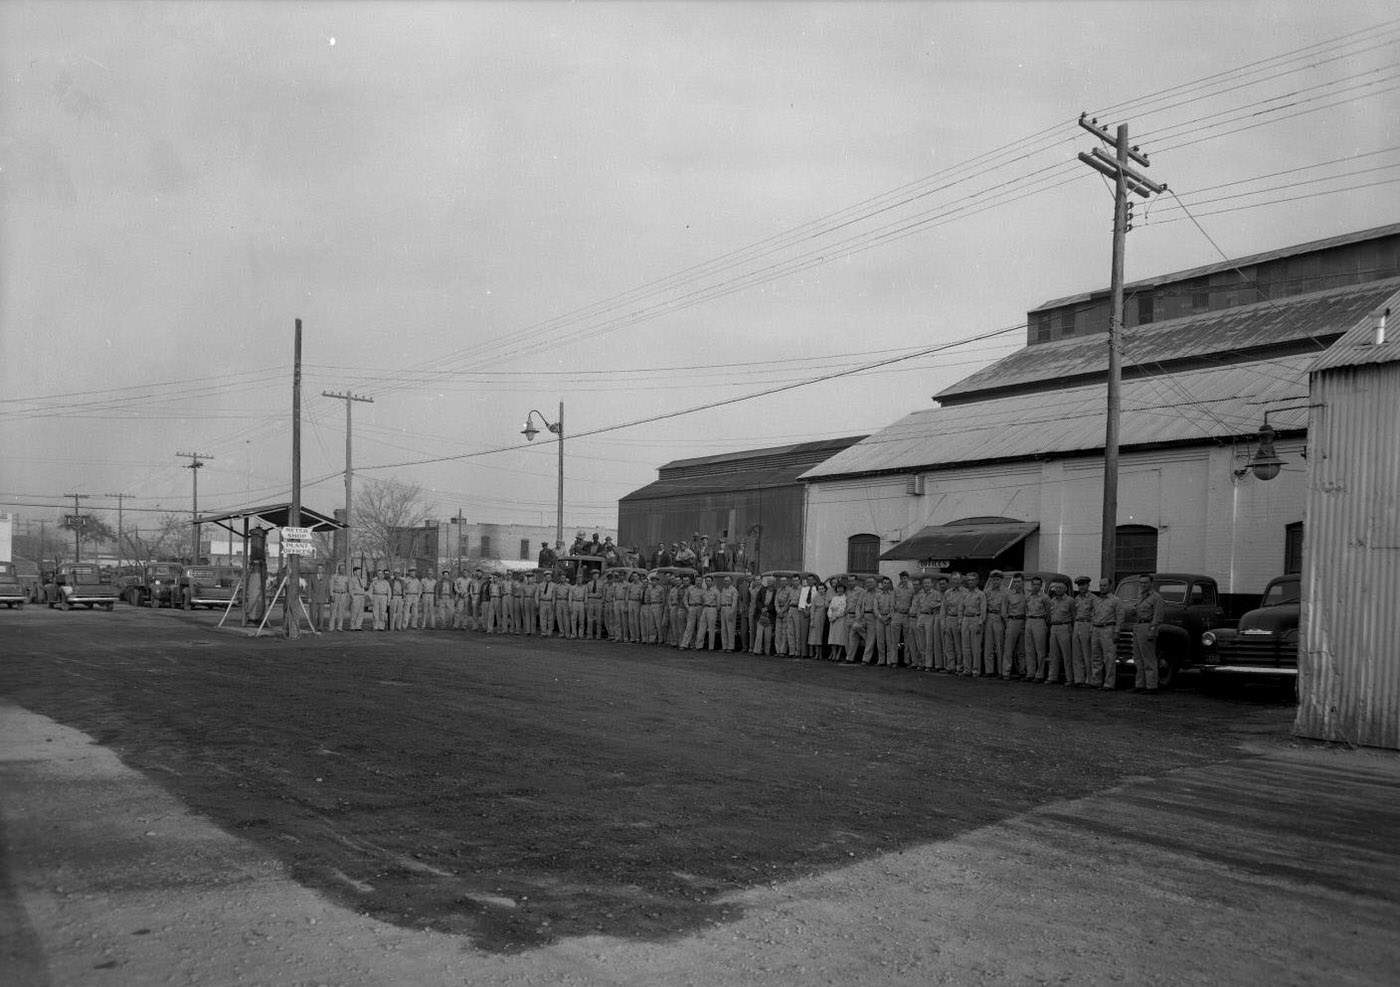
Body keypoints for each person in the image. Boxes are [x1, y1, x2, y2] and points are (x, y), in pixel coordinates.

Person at [1131, 574, 1166, 694]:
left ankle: (1151, 686)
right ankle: (1140, 684)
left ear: (1151, 583)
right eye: (1141, 583)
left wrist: (1152, 630)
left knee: (1149, 659)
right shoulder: (1140, 596)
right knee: (1138, 658)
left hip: (1147, 626)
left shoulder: (1156, 598)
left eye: (1145, 583)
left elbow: (1158, 616)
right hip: (1138, 626)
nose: (1143, 585)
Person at [1091, 577, 1123, 689]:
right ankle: (1096, 681)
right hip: (1096, 629)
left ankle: (1109, 683)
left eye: (1104, 585)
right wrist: (1092, 629)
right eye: (1100, 586)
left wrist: (1117, 631)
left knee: (1109, 658)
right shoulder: (1096, 600)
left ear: (1110, 586)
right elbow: (1093, 615)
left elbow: (1120, 617)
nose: (1102, 588)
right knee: (1096, 657)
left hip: (1108, 629)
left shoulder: (1116, 600)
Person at [1046, 580, 1074, 684]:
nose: (1058, 590)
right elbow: (1049, 615)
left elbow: (1074, 615)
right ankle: (1052, 677)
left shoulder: (1070, 601)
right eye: (1056, 588)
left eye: (1060, 588)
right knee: (1053, 654)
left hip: (1065, 627)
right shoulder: (1052, 601)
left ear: (1065, 589)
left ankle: (1070, 678)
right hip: (1054, 627)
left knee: (1067, 655)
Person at [1070, 576, 1095, 686]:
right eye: (1079, 585)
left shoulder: (1093, 598)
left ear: (1088, 585)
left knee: (1087, 653)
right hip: (1077, 624)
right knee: (1077, 653)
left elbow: (1094, 614)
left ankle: (1089, 679)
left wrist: (1091, 629)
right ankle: (1078, 679)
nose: (1081, 587)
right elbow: (1074, 613)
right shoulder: (1077, 598)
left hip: (1087, 623)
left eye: (1083, 584)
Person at [1024, 576, 1050, 681]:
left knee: (1040, 650)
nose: (1035, 586)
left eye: (1038, 584)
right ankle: (1030, 673)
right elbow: (1026, 608)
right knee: (1029, 649)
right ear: (1031, 585)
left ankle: (1039, 674)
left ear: (1041, 585)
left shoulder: (1045, 597)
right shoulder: (1028, 597)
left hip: (1040, 621)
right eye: (1034, 584)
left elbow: (1049, 612)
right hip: (1029, 620)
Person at [982, 570, 1007, 676]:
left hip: (999, 617)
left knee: (1000, 645)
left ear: (1001, 580)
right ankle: (989, 670)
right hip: (989, 617)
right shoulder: (987, 592)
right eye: (993, 580)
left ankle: (1001, 671)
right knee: (988, 645)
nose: (995, 582)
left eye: (997, 579)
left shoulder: (1006, 592)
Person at [1002, 573, 1026, 679]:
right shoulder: (1008, 595)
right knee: (1008, 649)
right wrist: (1007, 623)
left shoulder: (1028, 595)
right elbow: (1004, 610)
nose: (1017, 584)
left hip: (1024, 622)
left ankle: (1023, 671)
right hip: (1012, 621)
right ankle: (1006, 671)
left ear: (1023, 582)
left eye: (1019, 581)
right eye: (1015, 582)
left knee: (1023, 649)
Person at [890, 572, 915, 667]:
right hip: (897, 615)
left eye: (905, 578)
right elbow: (892, 603)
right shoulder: (896, 590)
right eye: (901, 578)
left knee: (907, 639)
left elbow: (913, 602)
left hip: (906, 616)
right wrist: (893, 615)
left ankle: (906, 660)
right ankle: (894, 661)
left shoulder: (911, 590)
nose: (903, 580)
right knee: (894, 640)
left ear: (908, 579)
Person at [873, 576, 895, 666]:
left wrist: (888, 617)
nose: (886, 585)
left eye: (887, 583)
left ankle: (889, 660)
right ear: (882, 584)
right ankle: (881, 660)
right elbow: (875, 608)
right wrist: (880, 617)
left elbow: (893, 607)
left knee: (889, 640)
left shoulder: (893, 595)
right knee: (880, 641)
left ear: (890, 584)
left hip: (889, 619)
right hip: (879, 619)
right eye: (884, 583)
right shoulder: (878, 595)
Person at [679, 575, 705, 649]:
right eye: (697, 580)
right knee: (689, 627)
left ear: (702, 581)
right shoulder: (690, 589)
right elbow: (685, 598)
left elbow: (705, 600)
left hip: (700, 607)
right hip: (691, 607)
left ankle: (698, 645)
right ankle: (684, 644)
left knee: (700, 627)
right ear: (695, 581)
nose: (698, 582)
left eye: (700, 580)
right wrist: (687, 607)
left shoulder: (704, 590)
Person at [752, 576, 776, 656]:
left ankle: (767, 651)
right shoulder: (762, 590)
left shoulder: (776, 592)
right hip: (761, 614)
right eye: (768, 581)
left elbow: (775, 603)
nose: (768, 583)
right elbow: (758, 601)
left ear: (773, 583)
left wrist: (767, 609)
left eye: (770, 581)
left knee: (767, 636)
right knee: (759, 634)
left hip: (770, 614)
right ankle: (757, 650)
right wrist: (762, 608)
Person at [807, 578, 828, 659]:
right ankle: (817, 653)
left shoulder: (826, 596)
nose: (821, 590)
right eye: (819, 589)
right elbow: (812, 609)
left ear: (825, 589)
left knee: (822, 635)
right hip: (816, 617)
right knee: (816, 636)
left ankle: (822, 653)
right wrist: (812, 620)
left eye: (822, 588)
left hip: (824, 617)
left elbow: (826, 606)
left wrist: (825, 598)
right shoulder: (815, 597)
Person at [643, 573, 666, 645]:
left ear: (657, 581)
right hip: (651, 605)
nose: (653, 582)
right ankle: (652, 639)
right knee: (651, 623)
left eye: (655, 581)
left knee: (658, 624)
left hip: (658, 605)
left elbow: (663, 599)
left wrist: (662, 607)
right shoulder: (650, 589)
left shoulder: (661, 589)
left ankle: (660, 639)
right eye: (652, 581)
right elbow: (648, 598)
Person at [699, 575, 720, 649]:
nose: (707, 582)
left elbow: (718, 603)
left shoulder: (716, 591)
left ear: (712, 582)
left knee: (711, 628)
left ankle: (711, 647)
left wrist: (716, 611)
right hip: (705, 608)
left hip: (712, 609)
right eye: (706, 581)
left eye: (709, 581)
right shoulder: (704, 591)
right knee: (701, 627)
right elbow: (702, 600)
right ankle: (699, 645)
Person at [329, 563, 350, 632]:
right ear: (338, 569)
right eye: (341, 568)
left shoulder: (346, 577)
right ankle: (331, 627)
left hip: (343, 595)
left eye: (344, 569)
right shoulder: (334, 576)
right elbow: (331, 586)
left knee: (341, 612)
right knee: (333, 611)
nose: (342, 570)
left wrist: (347, 595)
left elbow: (347, 587)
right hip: (336, 594)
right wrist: (331, 595)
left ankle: (339, 627)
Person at [585, 570, 605, 639]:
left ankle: (598, 635)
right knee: (589, 618)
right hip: (590, 600)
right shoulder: (589, 583)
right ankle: (589, 635)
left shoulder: (602, 583)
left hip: (598, 600)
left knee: (598, 618)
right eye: (593, 575)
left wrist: (602, 601)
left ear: (598, 575)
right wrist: (586, 602)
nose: (595, 576)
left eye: (596, 574)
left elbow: (604, 593)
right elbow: (586, 593)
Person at [626, 571, 644, 643]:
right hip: (631, 601)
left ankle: (637, 637)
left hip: (637, 602)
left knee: (636, 620)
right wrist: (626, 604)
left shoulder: (641, 585)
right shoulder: (630, 585)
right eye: (633, 576)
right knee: (631, 621)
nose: (635, 578)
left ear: (639, 577)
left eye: (636, 576)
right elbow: (627, 594)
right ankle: (632, 637)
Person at [567, 573, 587, 639]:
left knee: (581, 620)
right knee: (573, 619)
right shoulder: (572, 587)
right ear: (576, 580)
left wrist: (585, 605)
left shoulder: (585, 587)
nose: (579, 580)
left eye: (581, 579)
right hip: (574, 602)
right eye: (578, 579)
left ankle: (580, 635)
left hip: (581, 603)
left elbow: (586, 597)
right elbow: (570, 597)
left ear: (582, 580)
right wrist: (570, 606)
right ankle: (574, 634)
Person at [349, 565, 368, 631]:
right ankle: (352, 626)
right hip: (356, 596)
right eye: (358, 571)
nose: (359, 573)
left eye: (360, 572)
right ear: (354, 572)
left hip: (361, 597)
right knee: (354, 612)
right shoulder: (352, 579)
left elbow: (363, 587)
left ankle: (358, 626)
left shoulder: (361, 579)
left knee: (360, 612)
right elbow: (350, 589)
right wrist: (353, 597)